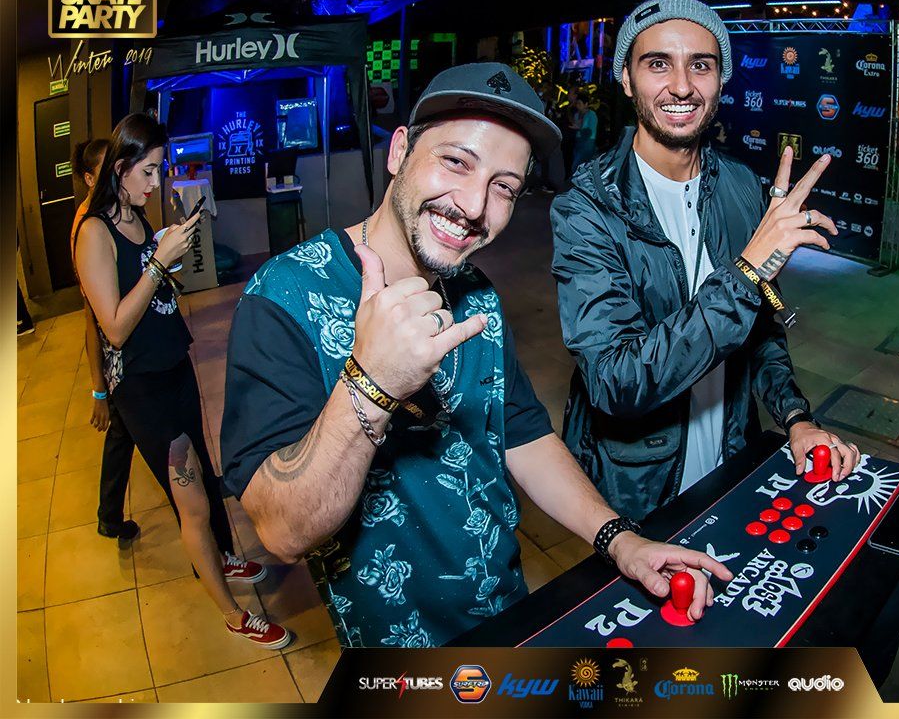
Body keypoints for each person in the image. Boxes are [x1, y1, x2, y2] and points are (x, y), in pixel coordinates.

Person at [219, 63, 733, 648]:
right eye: (456, 162)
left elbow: (523, 435)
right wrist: (371, 381)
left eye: (504, 187)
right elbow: (282, 530)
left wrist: (621, 540)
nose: (472, 204)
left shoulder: (475, 292)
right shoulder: (284, 296)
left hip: (506, 612)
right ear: (399, 152)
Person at [550, 0, 862, 521]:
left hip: (729, 466)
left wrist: (795, 417)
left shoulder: (741, 187)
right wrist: (746, 272)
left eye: (701, 65)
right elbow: (615, 380)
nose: (681, 86)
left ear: (721, 79)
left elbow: (760, 328)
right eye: (657, 64)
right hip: (636, 490)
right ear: (626, 79)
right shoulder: (587, 208)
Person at [73, 113, 291, 649]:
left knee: (204, 477)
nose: (156, 182)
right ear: (119, 168)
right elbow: (113, 327)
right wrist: (157, 264)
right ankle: (232, 614)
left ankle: (223, 557)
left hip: (172, 365)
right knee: (191, 504)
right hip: (142, 387)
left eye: (159, 170)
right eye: (148, 171)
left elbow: (147, 292)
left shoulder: (132, 214)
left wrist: (160, 253)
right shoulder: (93, 231)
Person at [70, 138, 140, 540]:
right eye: (108, 171)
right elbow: (92, 320)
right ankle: (109, 516)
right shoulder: (89, 228)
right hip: (118, 360)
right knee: (124, 432)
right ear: (89, 177)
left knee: (123, 434)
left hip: (126, 355)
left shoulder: (113, 212)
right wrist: (98, 390)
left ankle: (109, 516)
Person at [570, 94, 598, 172]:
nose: (578, 106)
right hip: (578, 141)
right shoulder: (577, 114)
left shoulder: (591, 115)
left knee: (578, 165)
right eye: (577, 103)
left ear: (586, 104)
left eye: (580, 104)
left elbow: (590, 130)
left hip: (588, 142)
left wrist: (579, 128)